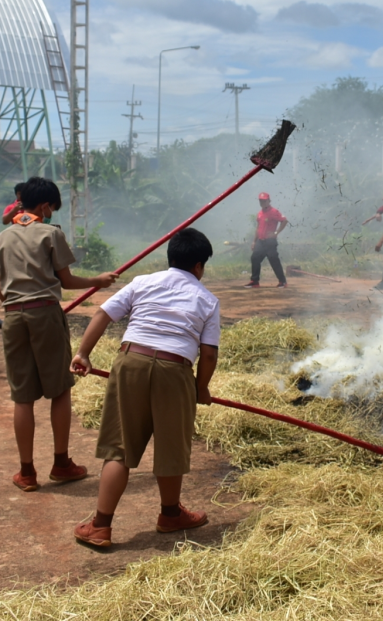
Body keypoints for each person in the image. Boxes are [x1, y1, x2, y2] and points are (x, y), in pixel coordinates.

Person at [71, 228, 220, 547]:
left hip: (130, 363)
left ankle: (100, 526)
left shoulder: (143, 282)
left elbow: (103, 314)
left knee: (120, 447)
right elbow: (208, 353)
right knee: (171, 446)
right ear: (198, 266)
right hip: (175, 369)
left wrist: (83, 353)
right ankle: (169, 514)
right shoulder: (207, 299)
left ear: (171, 258)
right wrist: (200, 388)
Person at [0, 176, 118, 491]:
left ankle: (27, 472)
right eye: (52, 209)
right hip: (44, 313)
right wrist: (97, 281)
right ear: (45, 205)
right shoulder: (50, 234)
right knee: (59, 389)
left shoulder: (1, 237)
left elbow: (2, 292)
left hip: (13, 318)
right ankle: (61, 464)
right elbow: (66, 280)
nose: (51, 215)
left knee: (23, 396)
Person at [245, 192, 288, 288]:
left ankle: (283, 282)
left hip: (270, 242)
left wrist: (276, 233)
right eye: (261, 200)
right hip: (260, 241)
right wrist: (254, 241)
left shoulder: (274, 212)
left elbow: (284, 221)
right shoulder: (260, 213)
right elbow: (258, 228)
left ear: (269, 201)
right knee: (255, 258)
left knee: (274, 260)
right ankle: (255, 281)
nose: (262, 202)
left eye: (264, 200)